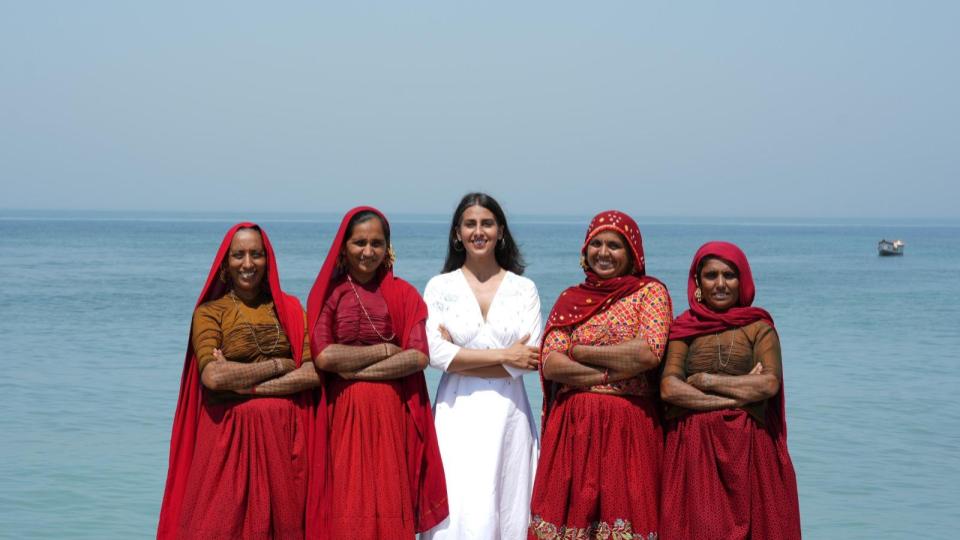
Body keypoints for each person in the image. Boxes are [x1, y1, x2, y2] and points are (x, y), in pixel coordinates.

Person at [158, 223, 325, 539]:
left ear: (268, 260)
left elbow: (312, 373)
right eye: (239, 255)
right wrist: (280, 364)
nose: (248, 263)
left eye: (256, 254)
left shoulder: (289, 309)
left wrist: (245, 385)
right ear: (225, 262)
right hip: (227, 443)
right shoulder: (209, 313)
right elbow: (213, 376)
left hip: (284, 443)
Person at [529, 210, 672, 540]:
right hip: (573, 431)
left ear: (633, 254)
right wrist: (616, 372)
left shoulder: (650, 293)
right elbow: (550, 363)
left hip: (628, 433)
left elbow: (648, 352)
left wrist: (581, 352)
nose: (604, 253)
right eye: (596, 244)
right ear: (585, 251)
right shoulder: (571, 299)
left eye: (615, 245)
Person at [307, 206, 448, 539]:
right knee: (345, 500)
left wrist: (352, 367)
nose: (368, 252)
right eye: (359, 243)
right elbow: (325, 356)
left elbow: (417, 358)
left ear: (388, 248)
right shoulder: (329, 294)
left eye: (376, 243)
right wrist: (385, 350)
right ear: (344, 247)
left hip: (390, 414)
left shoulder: (404, 294)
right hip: (340, 415)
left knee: (388, 499)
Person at [659, 241, 801, 539]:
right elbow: (670, 389)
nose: (721, 284)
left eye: (729, 275)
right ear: (698, 282)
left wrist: (705, 381)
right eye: (711, 276)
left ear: (743, 280)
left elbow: (769, 383)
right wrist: (739, 396)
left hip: (751, 450)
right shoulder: (683, 328)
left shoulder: (759, 327)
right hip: (695, 451)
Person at [422, 193, 542, 540]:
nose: (479, 231)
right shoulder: (440, 286)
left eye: (487, 223)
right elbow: (434, 354)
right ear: (457, 233)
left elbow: (528, 359)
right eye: (470, 224)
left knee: (508, 505)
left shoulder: (524, 289)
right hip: (455, 412)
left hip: (509, 414)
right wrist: (504, 355)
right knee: (458, 505)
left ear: (500, 231)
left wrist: (460, 356)